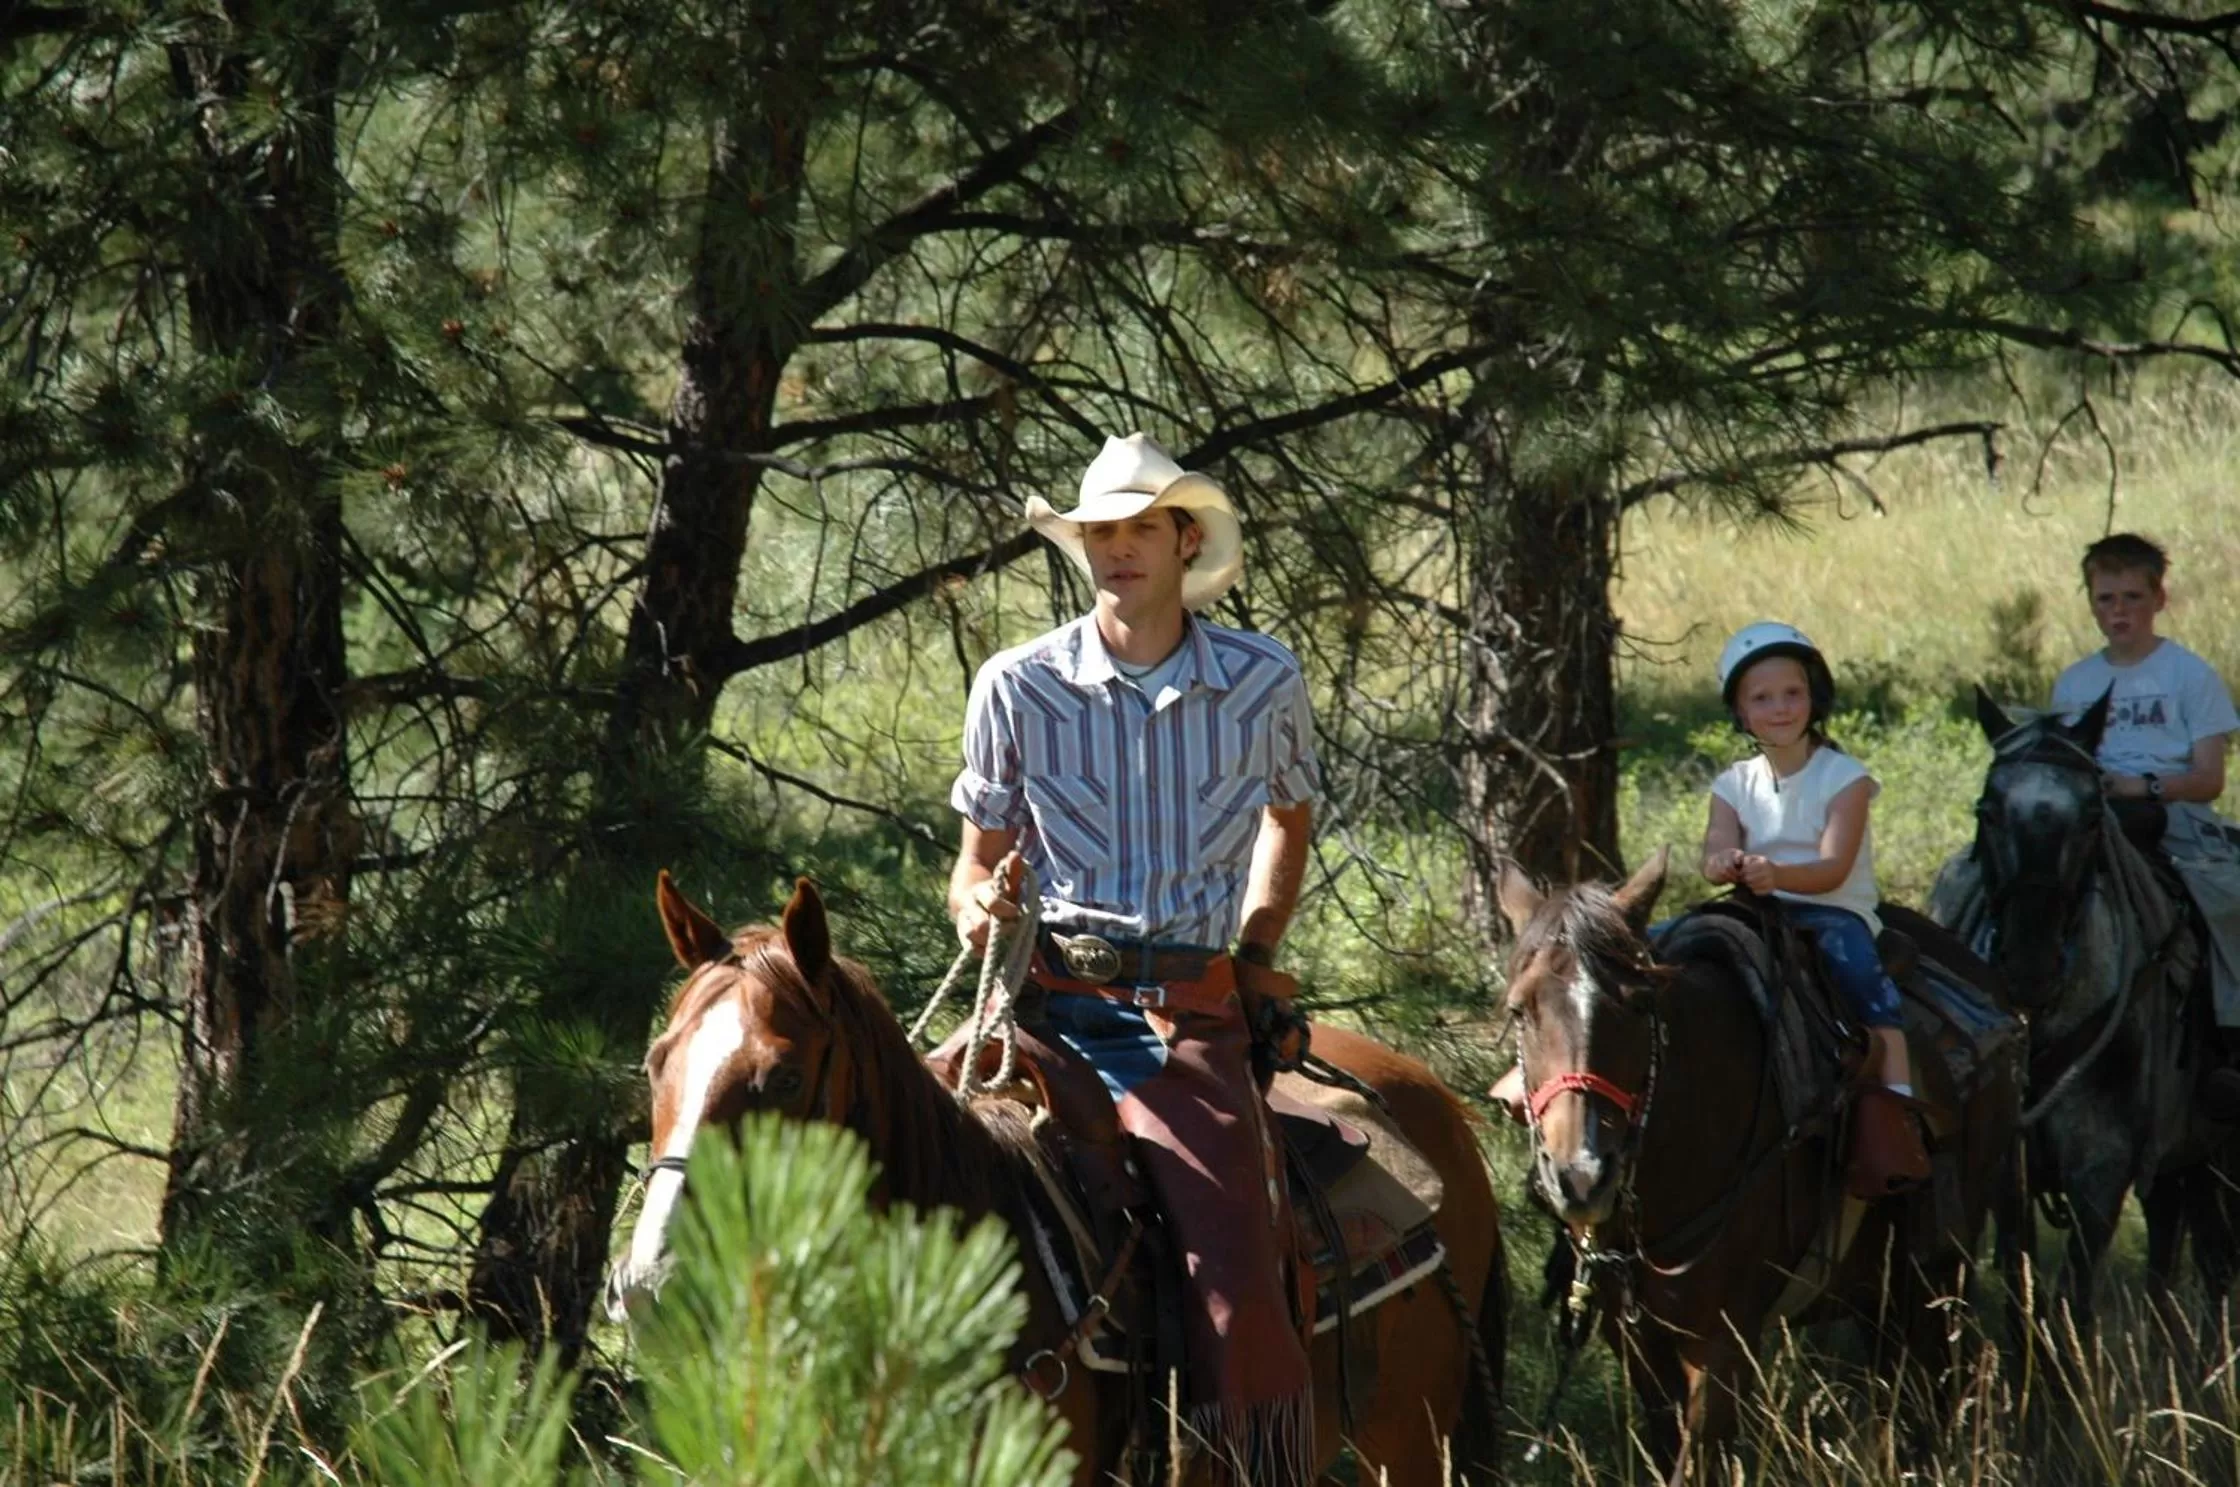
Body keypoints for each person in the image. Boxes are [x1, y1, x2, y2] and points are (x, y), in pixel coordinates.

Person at [946, 432, 1320, 1484]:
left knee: (1231, 1266)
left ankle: (1248, 1460)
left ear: (1183, 539)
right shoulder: (1015, 685)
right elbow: (971, 864)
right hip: (1040, 997)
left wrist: (1254, 948)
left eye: (1138, 529)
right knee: (890, 1144)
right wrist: (983, 908)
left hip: (1180, 1016)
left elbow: (1286, 819)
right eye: (1098, 533)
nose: (1116, 550)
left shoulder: (1260, 679)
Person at [1702, 621, 1929, 1195]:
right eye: (1761, 698)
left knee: (1864, 982)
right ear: (1741, 712)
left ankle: (1898, 1113)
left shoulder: (1845, 778)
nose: (1780, 708)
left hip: (1832, 910)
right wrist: (1727, 862)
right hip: (1758, 909)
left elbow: (1833, 867)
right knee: (1668, 946)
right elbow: (1709, 855)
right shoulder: (1733, 784)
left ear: (1814, 698)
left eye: (1793, 693)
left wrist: (1775, 875)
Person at [2051, 532, 2240, 1118]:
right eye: (2105, 599)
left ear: (2160, 599)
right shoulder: (2075, 683)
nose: (2118, 612)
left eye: (2132, 597)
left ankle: (2230, 1041)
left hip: (2172, 818)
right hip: (2093, 820)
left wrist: (2145, 786)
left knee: (2229, 899)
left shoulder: (2189, 675)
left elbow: (2210, 778)